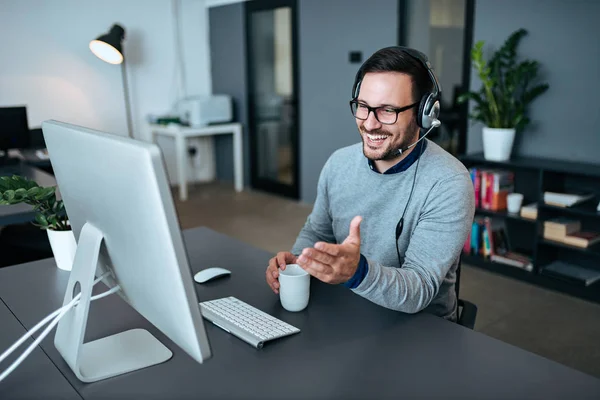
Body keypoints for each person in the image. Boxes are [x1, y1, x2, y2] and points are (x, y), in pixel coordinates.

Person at [265, 46, 475, 321]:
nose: (370, 124)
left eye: (388, 110)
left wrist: (358, 272)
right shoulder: (338, 163)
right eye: (363, 107)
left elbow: (420, 289)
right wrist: (297, 262)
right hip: (347, 311)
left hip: (420, 331)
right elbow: (317, 231)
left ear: (424, 113)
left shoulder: (448, 183)